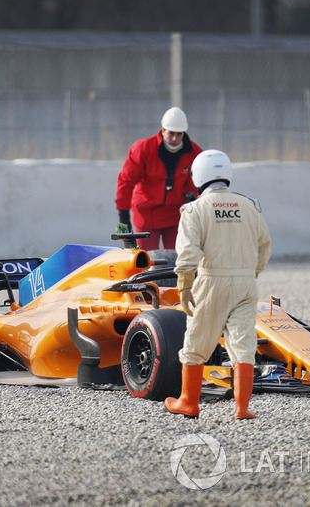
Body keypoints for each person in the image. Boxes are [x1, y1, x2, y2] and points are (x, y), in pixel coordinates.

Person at [165, 149, 271, 420]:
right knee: (243, 343)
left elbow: (188, 252)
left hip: (212, 281)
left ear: (198, 177)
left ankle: (188, 401)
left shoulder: (194, 209)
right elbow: (264, 247)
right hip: (246, 283)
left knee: (197, 341)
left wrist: (185, 284)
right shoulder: (250, 206)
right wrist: (251, 272)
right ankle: (242, 407)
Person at [116, 107, 202, 251]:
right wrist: (123, 222)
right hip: (146, 216)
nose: (175, 139)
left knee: (177, 261)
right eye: (171, 133)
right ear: (162, 130)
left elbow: (198, 185)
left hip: (176, 216)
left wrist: (196, 207)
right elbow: (126, 182)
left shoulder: (195, 153)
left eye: (179, 134)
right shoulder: (143, 150)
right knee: (143, 261)